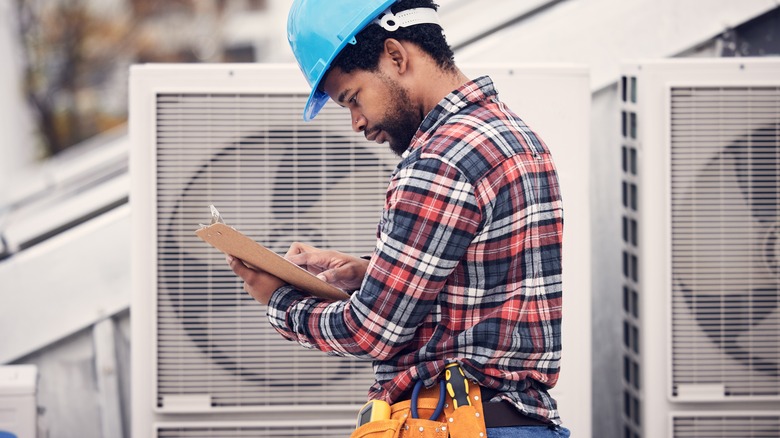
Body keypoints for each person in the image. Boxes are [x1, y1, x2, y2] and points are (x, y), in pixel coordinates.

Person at [227, 1, 570, 437]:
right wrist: (372, 274)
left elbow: (371, 331)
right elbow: (487, 285)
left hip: (455, 424)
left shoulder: (438, 160)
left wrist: (278, 300)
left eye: (353, 98)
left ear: (395, 56)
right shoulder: (517, 135)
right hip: (518, 422)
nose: (357, 123)